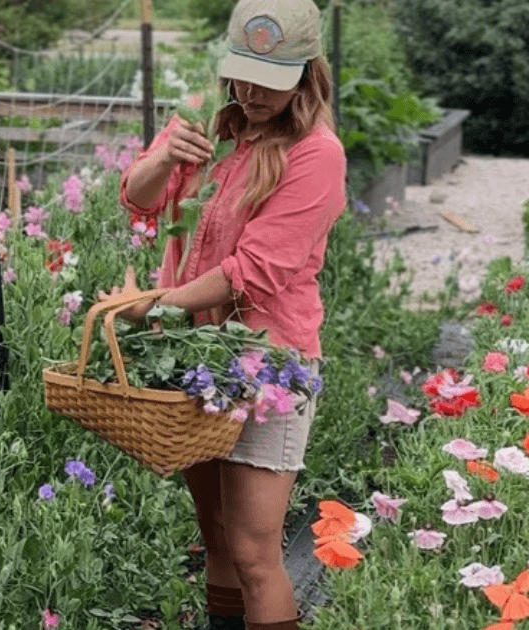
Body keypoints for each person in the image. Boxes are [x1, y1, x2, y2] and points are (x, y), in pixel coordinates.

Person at [102, 0, 345, 629]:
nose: (252, 91)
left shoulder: (317, 155)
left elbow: (255, 271)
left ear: (306, 72)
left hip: (270, 365)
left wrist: (151, 304)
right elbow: (138, 203)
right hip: (194, 359)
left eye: (271, 79)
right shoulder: (208, 129)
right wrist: (161, 160)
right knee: (213, 537)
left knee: (255, 550)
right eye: (242, 73)